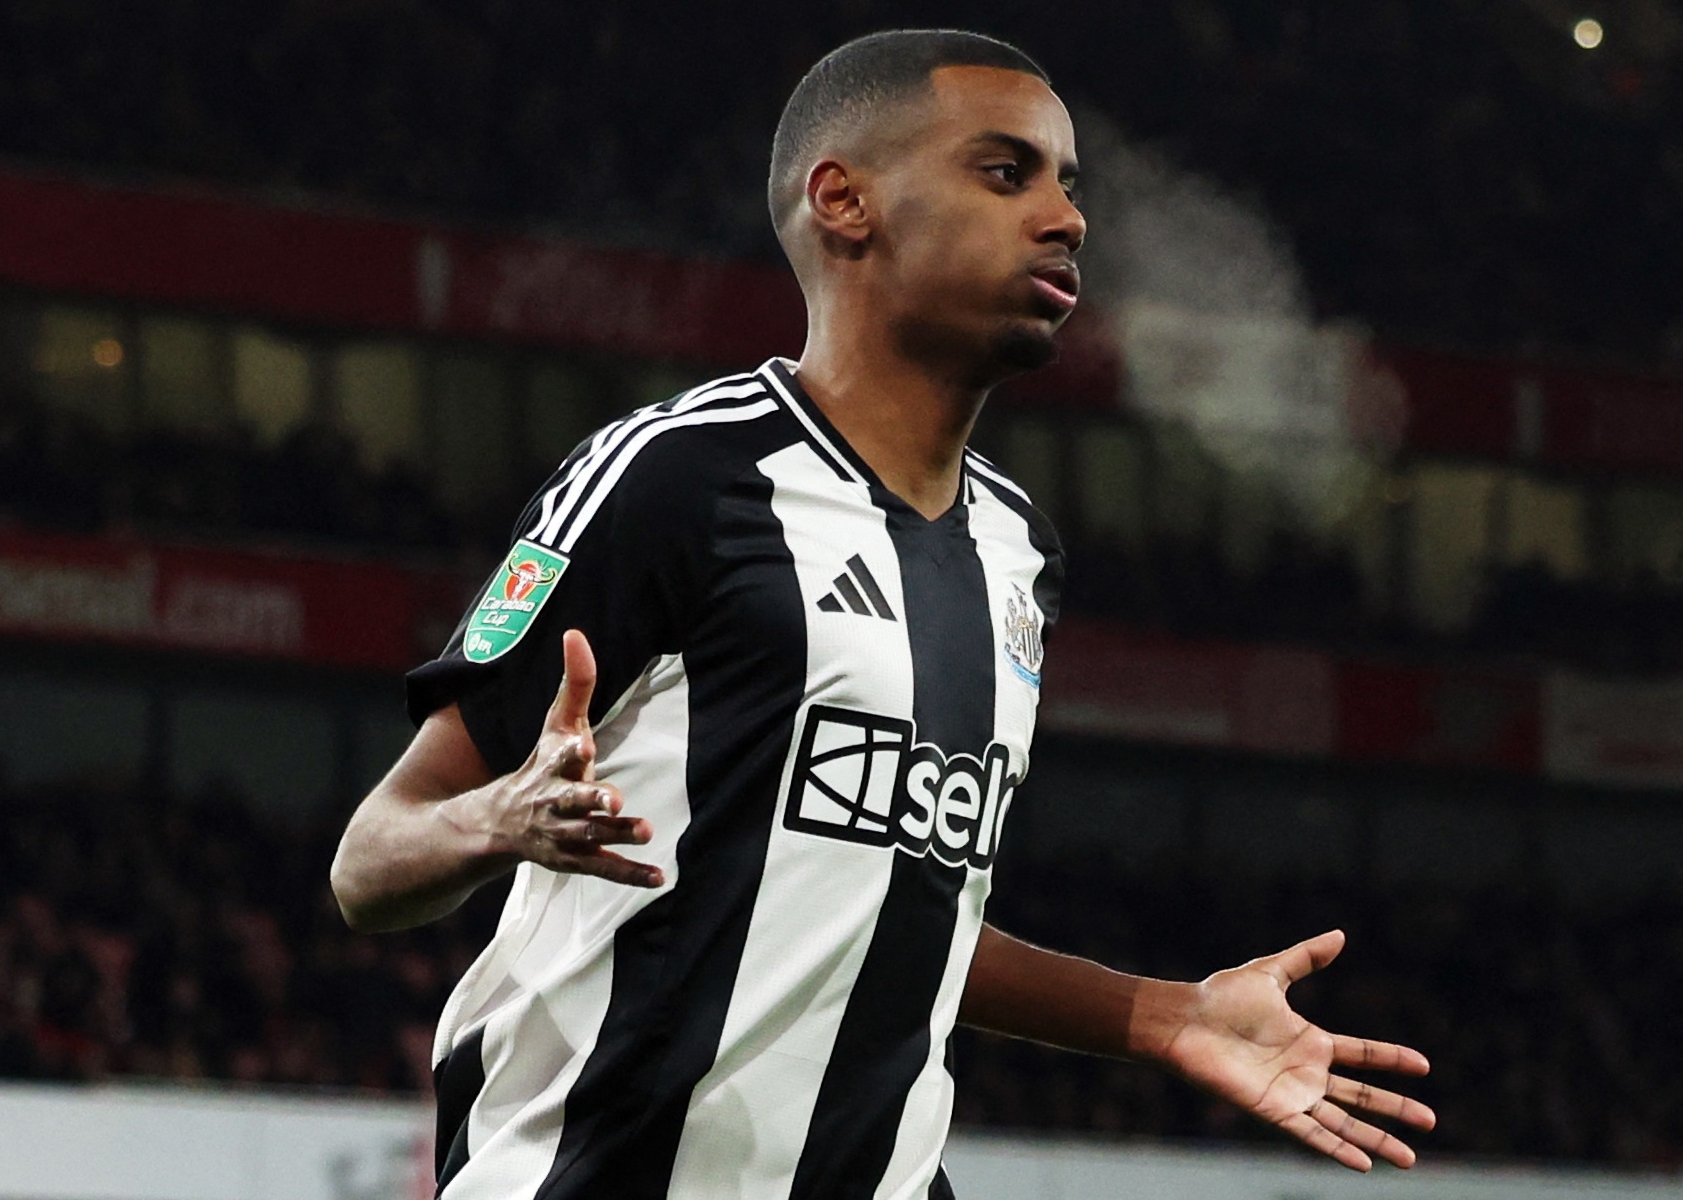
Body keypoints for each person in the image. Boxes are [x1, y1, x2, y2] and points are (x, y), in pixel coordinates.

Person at [329, 29, 1433, 1200]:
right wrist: (498, 816)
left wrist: (1169, 1017)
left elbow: (892, 920)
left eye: (1069, 183)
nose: (1068, 218)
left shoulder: (1018, 554)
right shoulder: (677, 479)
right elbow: (369, 861)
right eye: (1007, 173)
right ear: (843, 200)